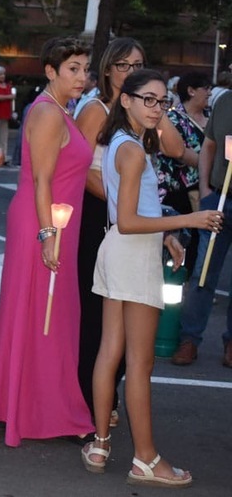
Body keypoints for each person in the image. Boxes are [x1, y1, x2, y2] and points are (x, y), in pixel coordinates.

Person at [81, 69, 209, 487]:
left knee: (111, 352)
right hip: (131, 254)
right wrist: (192, 218)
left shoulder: (123, 143)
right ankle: (146, 458)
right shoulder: (132, 151)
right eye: (148, 100)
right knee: (139, 362)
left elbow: (130, 217)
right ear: (127, 101)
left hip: (121, 252)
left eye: (162, 101)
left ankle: (100, 443)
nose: (157, 109)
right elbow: (130, 219)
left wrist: (168, 233)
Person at [0, 37, 95, 446]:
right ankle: (48, 412)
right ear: (51, 71)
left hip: (52, 223)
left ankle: (19, 405)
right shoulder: (48, 113)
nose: (82, 77)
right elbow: (42, 179)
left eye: (85, 68)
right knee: (46, 319)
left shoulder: (61, 110)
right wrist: (47, 235)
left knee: (43, 318)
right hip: (44, 225)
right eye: (73, 69)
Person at [73, 37, 183, 419]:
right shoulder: (95, 109)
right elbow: (78, 167)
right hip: (101, 217)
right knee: (99, 326)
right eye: (123, 65)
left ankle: (103, 411)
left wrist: (153, 102)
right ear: (107, 69)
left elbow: (176, 147)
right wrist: (123, 202)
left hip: (129, 219)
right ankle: (90, 408)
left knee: (118, 339)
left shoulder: (141, 121)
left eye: (138, 65)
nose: (130, 72)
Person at [173, 73, 232, 368]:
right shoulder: (224, 103)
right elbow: (209, 146)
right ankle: (189, 339)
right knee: (203, 271)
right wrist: (207, 189)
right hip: (220, 198)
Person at [156, 72, 210, 275]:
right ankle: (177, 281)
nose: (209, 93)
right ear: (191, 90)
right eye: (205, 88)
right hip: (179, 189)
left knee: (200, 241)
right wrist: (208, 164)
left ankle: (197, 280)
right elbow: (175, 151)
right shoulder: (173, 118)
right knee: (182, 238)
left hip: (206, 187)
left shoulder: (210, 116)